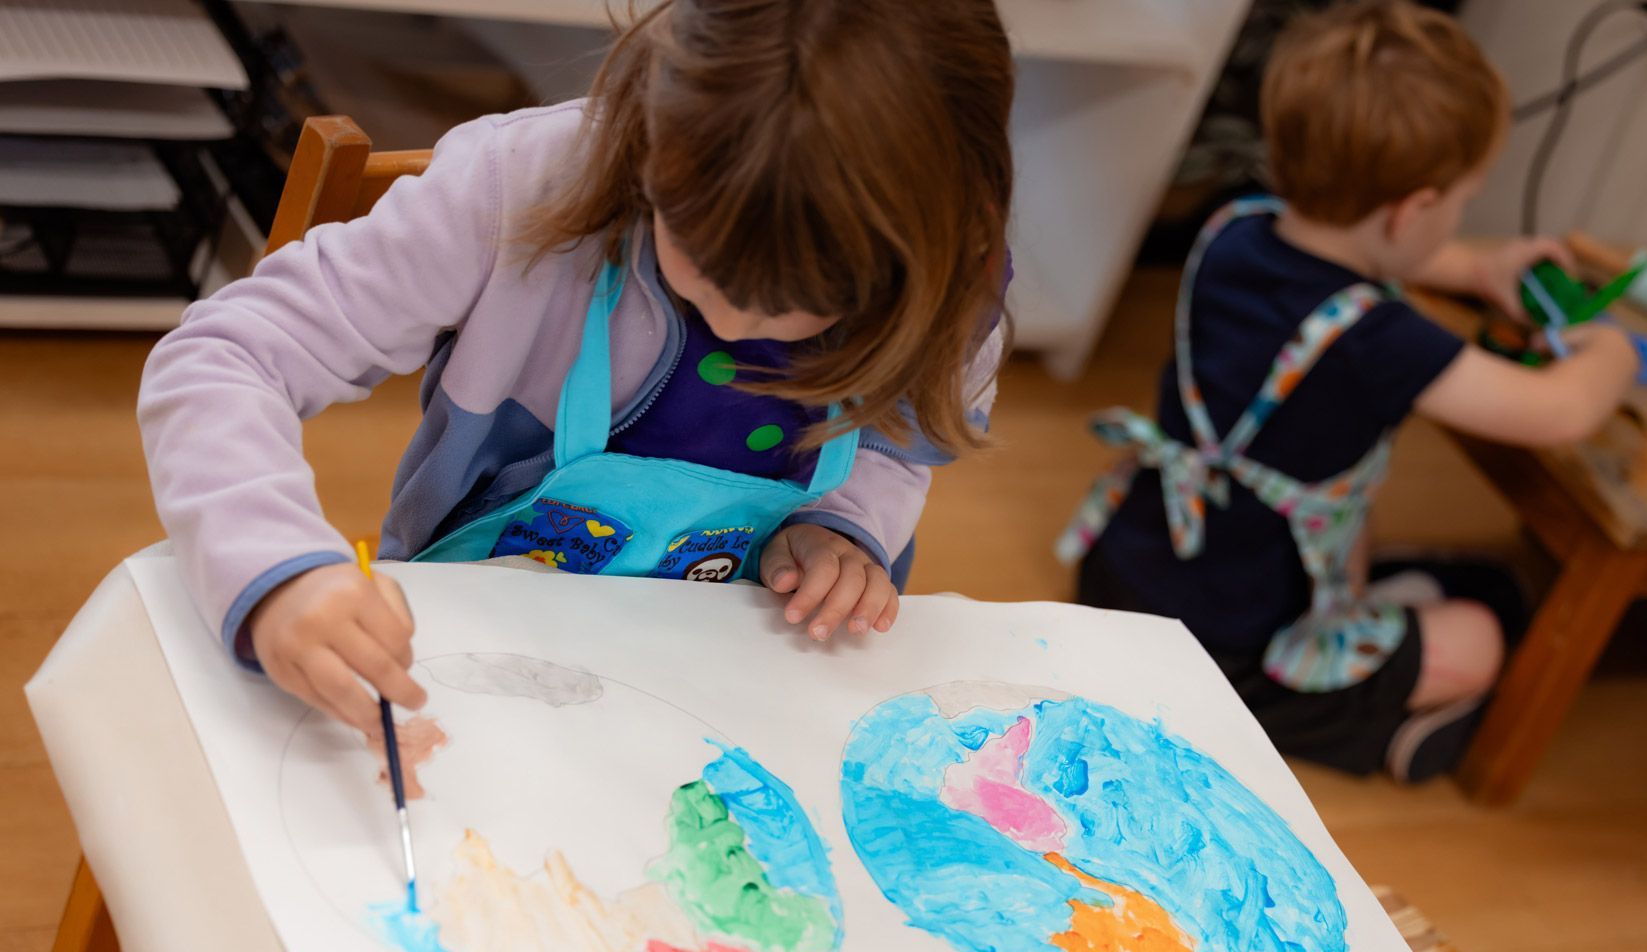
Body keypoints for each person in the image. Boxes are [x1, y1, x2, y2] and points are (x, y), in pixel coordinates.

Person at [139, 0, 1012, 736]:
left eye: (813, 300)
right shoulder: (514, 189)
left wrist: (846, 524)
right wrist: (280, 567)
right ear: (653, 145)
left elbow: (903, 445)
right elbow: (226, 355)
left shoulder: (950, 283)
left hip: (748, 694)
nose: (738, 323)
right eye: (701, 260)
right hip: (477, 667)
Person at [1063, 0, 1637, 783]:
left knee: (1476, 579)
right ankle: (1362, 732)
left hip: (1127, 568)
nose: (1465, 218)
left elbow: (1365, 252)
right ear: (1412, 210)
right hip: (1225, 643)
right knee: (1480, 636)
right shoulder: (1381, 340)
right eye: (1464, 201)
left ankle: (1344, 636)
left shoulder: (1235, 227)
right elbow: (1560, 409)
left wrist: (1475, 268)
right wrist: (1613, 349)